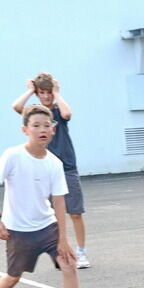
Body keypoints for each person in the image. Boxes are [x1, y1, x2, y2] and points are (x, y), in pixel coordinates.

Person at [0, 105, 98, 288]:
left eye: (46, 125)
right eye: (36, 126)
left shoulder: (54, 163)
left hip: (47, 227)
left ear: (53, 130)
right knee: (13, 278)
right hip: (18, 230)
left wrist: (63, 239)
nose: (42, 130)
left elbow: (59, 202)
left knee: (69, 263)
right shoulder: (12, 156)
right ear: (25, 129)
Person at [11, 73, 91, 268]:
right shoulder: (34, 113)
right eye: (42, 93)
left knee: (75, 213)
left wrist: (57, 93)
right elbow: (16, 107)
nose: (46, 96)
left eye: (49, 93)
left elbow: (67, 114)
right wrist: (30, 90)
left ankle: (81, 252)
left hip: (67, 167)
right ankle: (60, 250)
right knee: (51, 215)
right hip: (43, 169)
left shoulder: (56, 111)